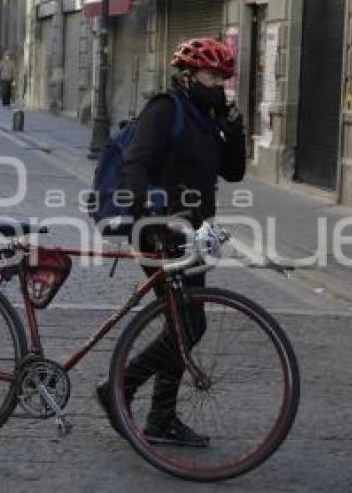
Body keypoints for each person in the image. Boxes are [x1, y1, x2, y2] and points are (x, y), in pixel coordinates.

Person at [95, 37, 246, 447]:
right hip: (158, 232)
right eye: (211, 75)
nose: (218, 84)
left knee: (181, 322)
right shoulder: (166, 109)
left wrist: (234, 130)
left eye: (223, 78)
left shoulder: (207, 116)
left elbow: (234, 173)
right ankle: (121, 387)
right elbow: (135, 165)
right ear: (188, 74)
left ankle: (159, 417)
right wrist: (153, 219)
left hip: (191, 233)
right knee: (189, 322)